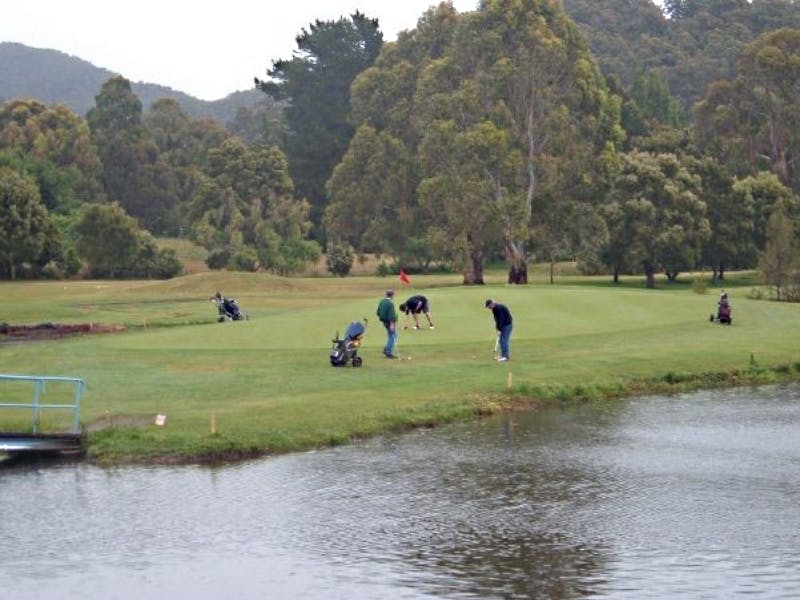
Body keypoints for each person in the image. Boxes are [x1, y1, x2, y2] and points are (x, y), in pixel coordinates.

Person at [376, 289, 399, 358]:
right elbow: (391, 315)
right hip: (389, 322)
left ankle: (386, 349)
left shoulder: (382, 301)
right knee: (393, 336)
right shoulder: (390, 303)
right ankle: (388, 352)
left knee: (390, 335)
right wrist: (392, 324)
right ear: (392, 295)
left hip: (384, 321)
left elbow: (378, 312)